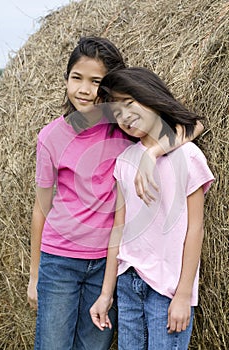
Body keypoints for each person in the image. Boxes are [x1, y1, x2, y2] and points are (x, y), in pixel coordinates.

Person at [27, 36, 203, 350]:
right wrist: (34, 275)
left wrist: (152, 154)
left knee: (95, 344)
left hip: (107, 264)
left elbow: (191, 125)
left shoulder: (121, 130)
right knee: (52, 344)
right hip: (60, 260)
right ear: (66, 79)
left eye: (95, 82)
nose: (84, 89)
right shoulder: (51, 136)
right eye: (76, 78)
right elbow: (41, 206)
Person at [90, 67, 214, 350]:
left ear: (149, 96)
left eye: (128, 103)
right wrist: (106, 293)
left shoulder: (187, 155)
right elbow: (118, 229)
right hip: (128, 283)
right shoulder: (123, 162)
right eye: (115, 112)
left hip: (167, 290)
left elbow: (195, 228)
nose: (123, 117)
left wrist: (184, 294)